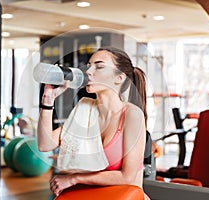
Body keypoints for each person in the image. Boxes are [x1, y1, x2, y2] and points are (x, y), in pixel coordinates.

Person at [37, 46, 150, 199]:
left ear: (119, 78)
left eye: (99, 66)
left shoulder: (132, 115)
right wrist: (48, 99)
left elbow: (126, 177)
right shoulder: (84, 111)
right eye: (89, 66)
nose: (88, 71)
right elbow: (45, 145)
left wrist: (73, 178)